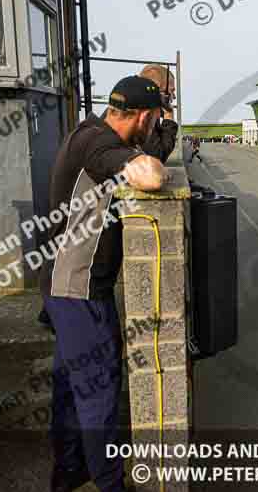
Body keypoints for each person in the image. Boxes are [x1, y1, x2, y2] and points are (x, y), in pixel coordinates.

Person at [40, 76, 167, 492]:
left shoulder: (88, 131)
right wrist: (149, 159)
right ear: (144, 117)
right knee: (99, 396)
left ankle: (69, 470)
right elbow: (150, 175)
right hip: (80, 292)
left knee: (69, 389)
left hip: (62, 288)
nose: (156, 126)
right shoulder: (99, 145)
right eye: (155, 119)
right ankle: (109, 482)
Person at [137, 64, 178, 163]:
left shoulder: (139, 106)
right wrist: (169, 117)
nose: (174, 96)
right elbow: (157, 157)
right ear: (158, 89)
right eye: (171, 90)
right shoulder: (144, 113)